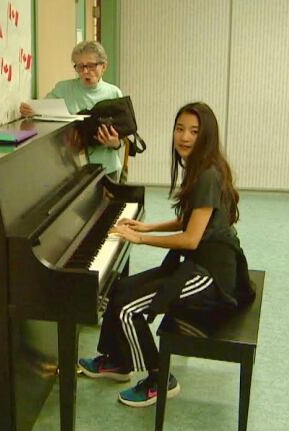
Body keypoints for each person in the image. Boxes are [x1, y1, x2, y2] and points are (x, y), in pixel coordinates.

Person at [77, 102, 255, 408]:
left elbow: (189, 238)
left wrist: (141, 238)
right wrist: (149, 225)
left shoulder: (208, 175)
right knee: (119, 287)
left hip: (212, 279)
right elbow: (193, 220)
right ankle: (118, 363)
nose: (184, 137)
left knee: (127, 309)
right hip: (199, 262)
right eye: (179, 129)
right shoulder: (200, 167)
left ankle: (160, 378)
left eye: (194, 132)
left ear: (207, 136)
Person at [20, 40, 124, 180]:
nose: (85, 71)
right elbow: (41, 109)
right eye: (80, 67)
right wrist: (30, 110)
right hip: (71, 168)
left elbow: (121, 139)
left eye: (91, 66)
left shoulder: (114, 93)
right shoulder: (63, 89)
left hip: (106, 169)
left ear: (104, 66)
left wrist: (114, 143)